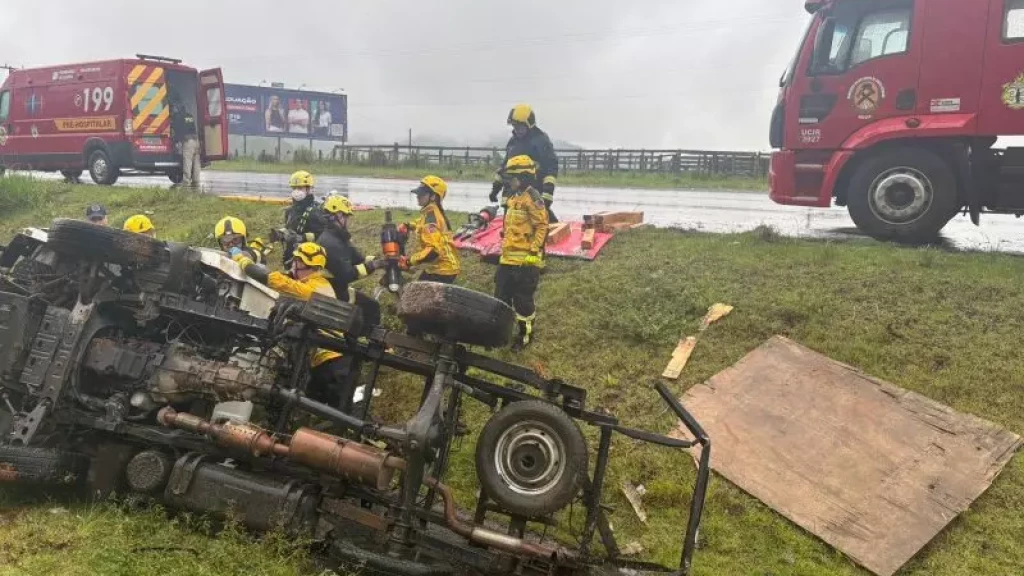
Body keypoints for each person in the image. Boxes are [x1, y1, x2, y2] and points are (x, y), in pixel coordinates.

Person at [231, 242, 355, 411]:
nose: (293, 265)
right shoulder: (317, 283)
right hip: (323, 361)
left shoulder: (311, 289)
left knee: (340, 412)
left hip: (333, 363)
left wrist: (241, 258)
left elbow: (271, 279)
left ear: (307, 265)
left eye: (297, 261)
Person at [495, 156, 548, 351]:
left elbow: (542, 226)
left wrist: (533, 252)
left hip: (525, 262)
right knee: (501, 296)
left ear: (525, 177)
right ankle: (501, 333)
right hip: (507, 259)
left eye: (513, 177)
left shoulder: (533, 198)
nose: (510, 181)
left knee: (522, 302)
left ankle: (524, 336)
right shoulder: (513, 197)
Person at [317, 195, 384, 329]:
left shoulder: (337, 238)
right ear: (338, 215)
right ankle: (365, 342)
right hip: (333, 292)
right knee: (371, 307)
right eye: (346, 216)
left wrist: (378, 260)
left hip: (336, 288)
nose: (348, 220)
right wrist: (372, 266)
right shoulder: (332, 243)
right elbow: (347, 274)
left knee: (370, 305)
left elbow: (357, 259)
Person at [489, 104, 559, 222]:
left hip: (533, 192)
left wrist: (547, 193)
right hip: (511, 194)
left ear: (529, 125)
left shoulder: (541, 141)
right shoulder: (513, 142)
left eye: (520, 127)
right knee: (510, 226)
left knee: (543, 224)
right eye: (515, 127)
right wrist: (495, 189)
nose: (517, 131)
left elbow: (551, 167)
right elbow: (505, 167)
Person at [398, 176, 461, 284]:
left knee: (417, 297)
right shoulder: (431, 212)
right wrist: (408, 225)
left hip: (443, 270)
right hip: (439, 267)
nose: (418, 196)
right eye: (418, 193)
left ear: (433, 197)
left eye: (422, 194)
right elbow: (420, 222)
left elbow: (433, 252)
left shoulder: (431, 220)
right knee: (416, 291)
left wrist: (408, 261)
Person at [276, 170, 328, 266]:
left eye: (300, 188)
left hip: (309, 259)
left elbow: (322, 235)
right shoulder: (290, 210)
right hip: (291, 256)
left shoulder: (316, 212)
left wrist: (302, 237)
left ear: (309, 189)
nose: (296, 191)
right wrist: (281, 234)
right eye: (294, 188)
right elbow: (290, 229)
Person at [171, 98, 201, 189]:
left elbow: (177, 130)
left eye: (174, 108)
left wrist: (175, 140)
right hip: (196, 140)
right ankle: (196, 181)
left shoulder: (178, 117)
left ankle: (186, 182)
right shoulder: (189, 116)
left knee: (187, 162)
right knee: (196, 162)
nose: (173, 110)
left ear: (178, 108)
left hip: (188, 142)